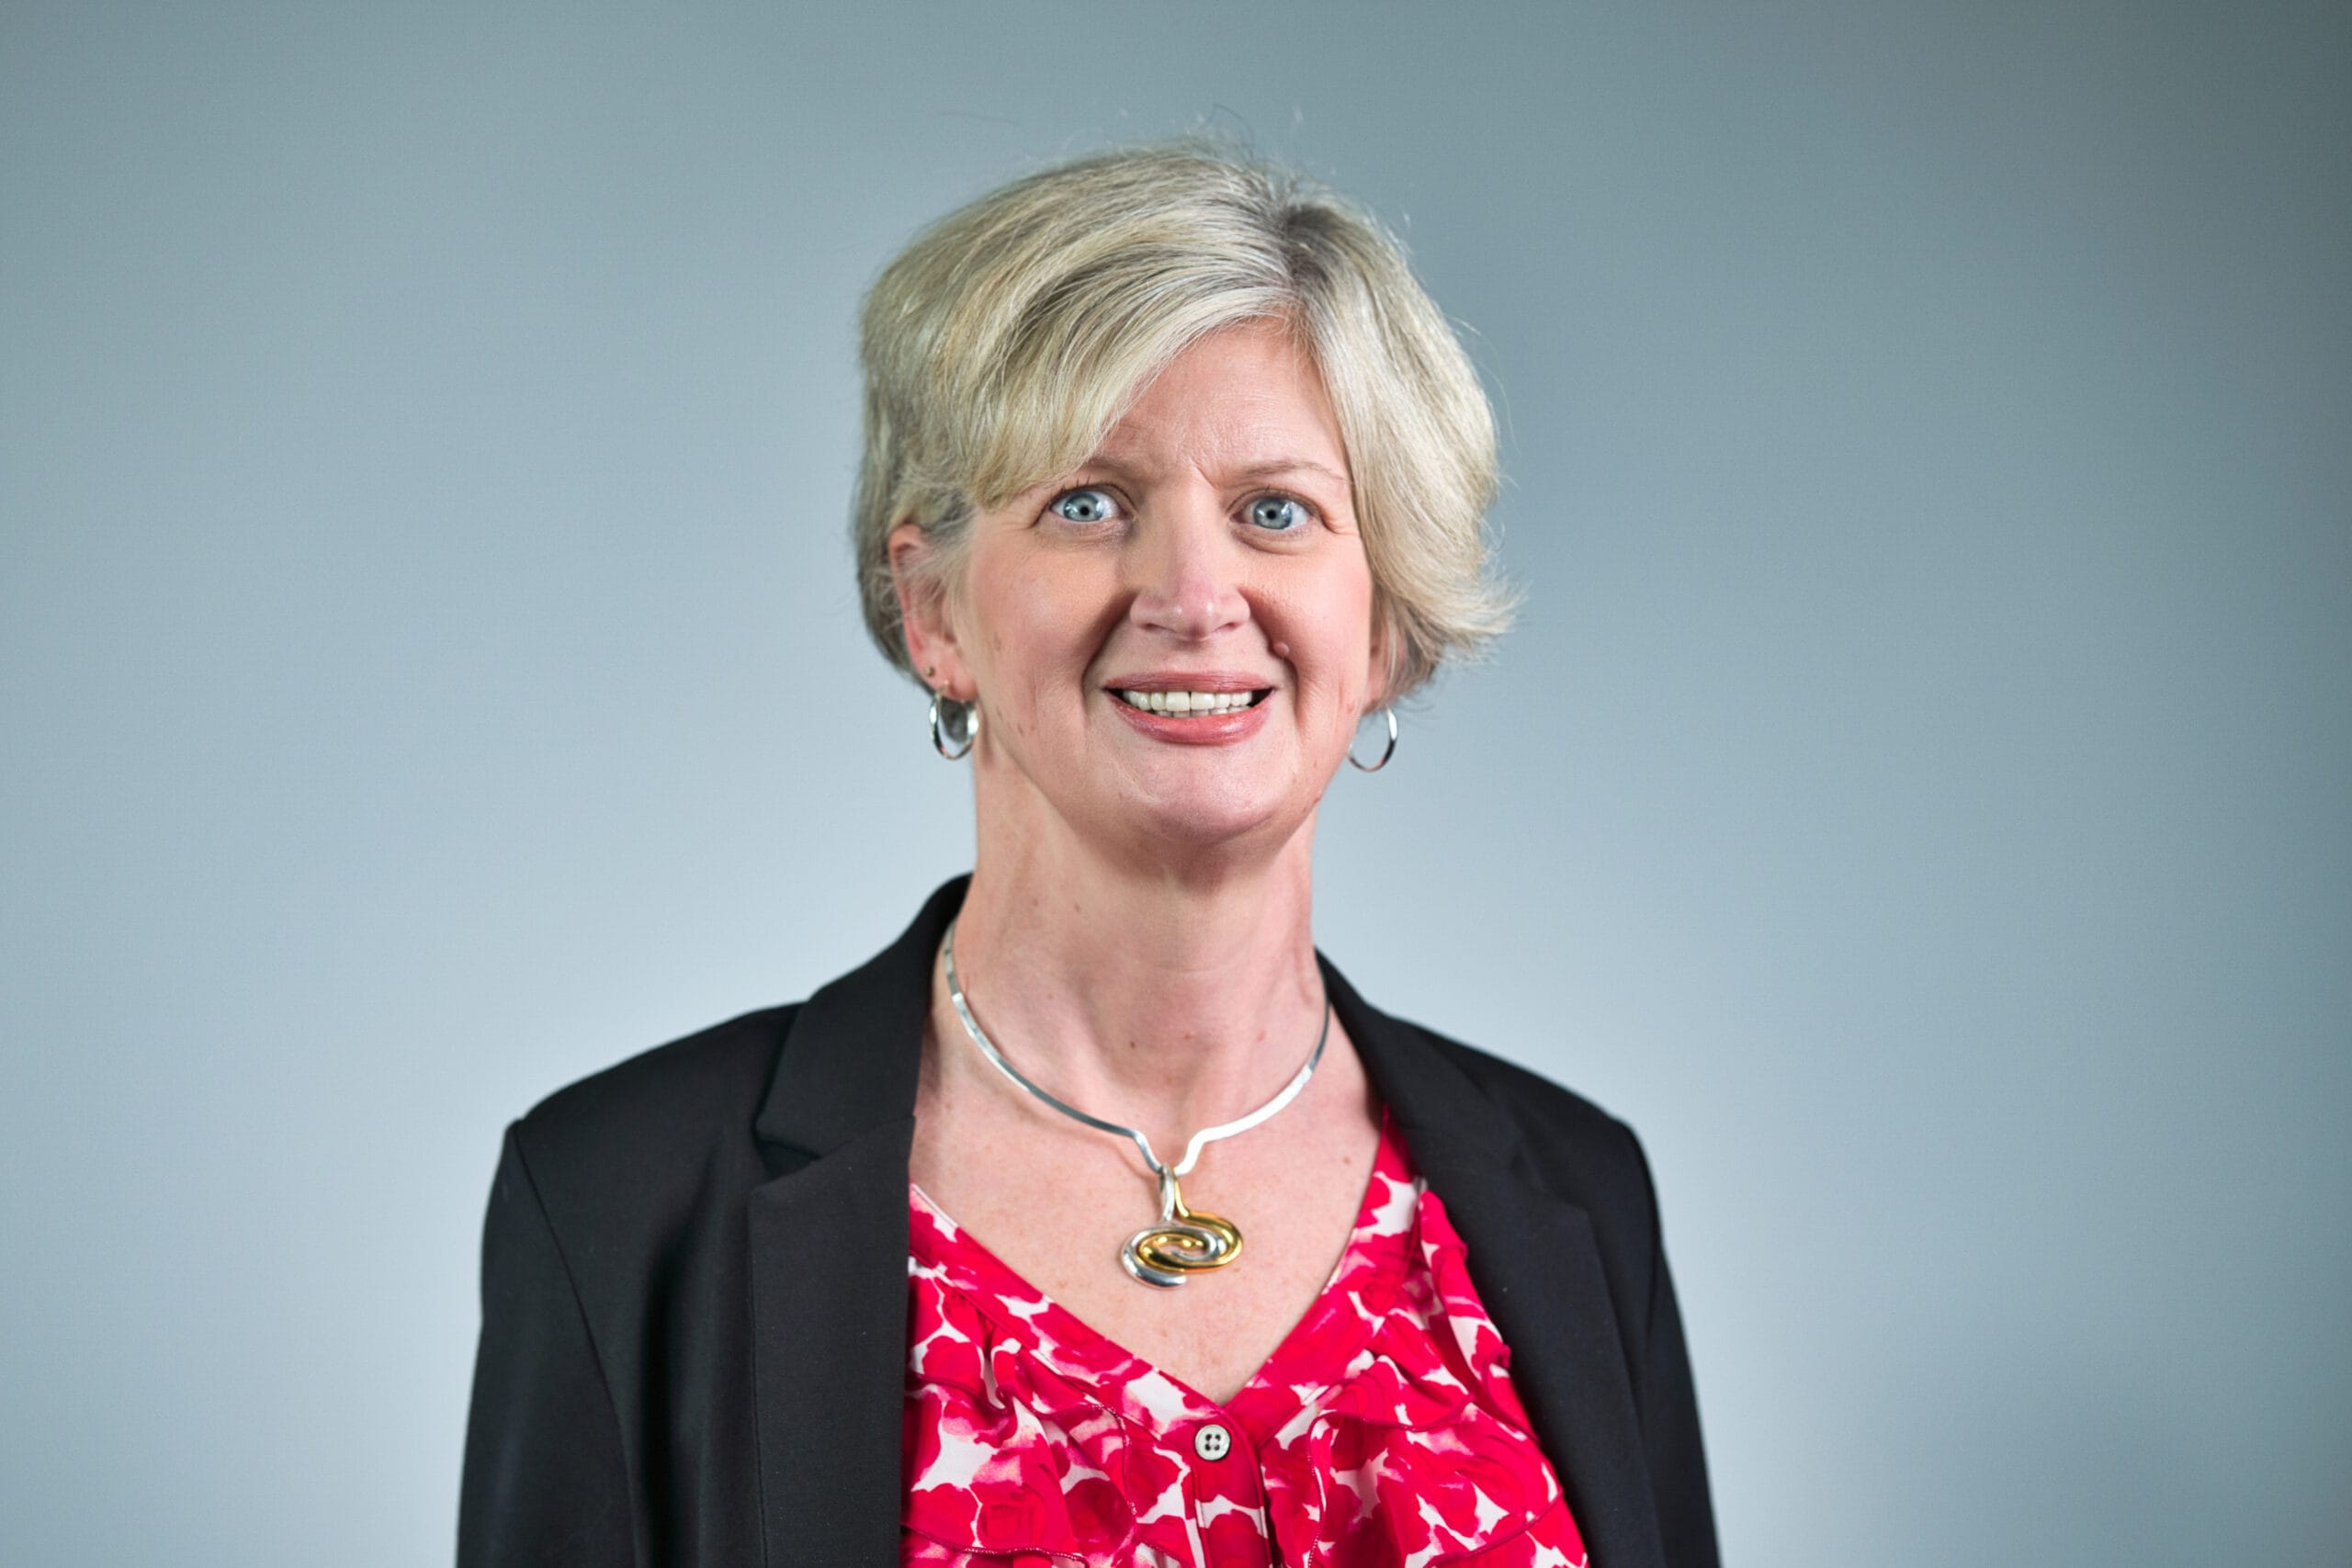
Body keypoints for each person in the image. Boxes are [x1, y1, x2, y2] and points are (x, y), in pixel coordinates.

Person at [458, 143, 1717, 1568]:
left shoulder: (1578, 1194)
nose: (1194, 594)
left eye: (1277, 511)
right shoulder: (621, 1202)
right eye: (1088, 503)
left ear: (1383, 623)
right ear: (934, 610)